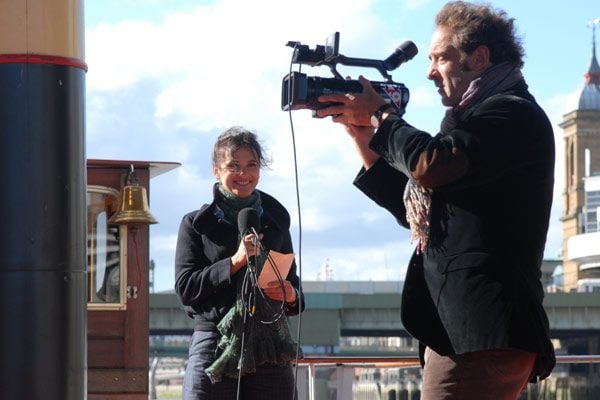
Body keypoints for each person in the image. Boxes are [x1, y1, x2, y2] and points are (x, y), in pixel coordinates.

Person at [317, 1, 555, 399]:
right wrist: (363, 135)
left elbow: (431, 164)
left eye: (440, 58)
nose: (429, 72)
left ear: (479, 58)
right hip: (469, 335)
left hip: (480, 337)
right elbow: (425, 212)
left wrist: (383, 117)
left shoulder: (511, 114)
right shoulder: (481, 124)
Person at [175, 126, 304, 400]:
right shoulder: (196, 224)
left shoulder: (276, 221)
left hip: (270, 346)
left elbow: (295, 290)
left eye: (251, 165)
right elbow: (185, 288)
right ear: (216, 170)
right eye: (234, 166)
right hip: (214, 343)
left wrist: (291, 294)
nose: (244, 174)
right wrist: (233, 262)